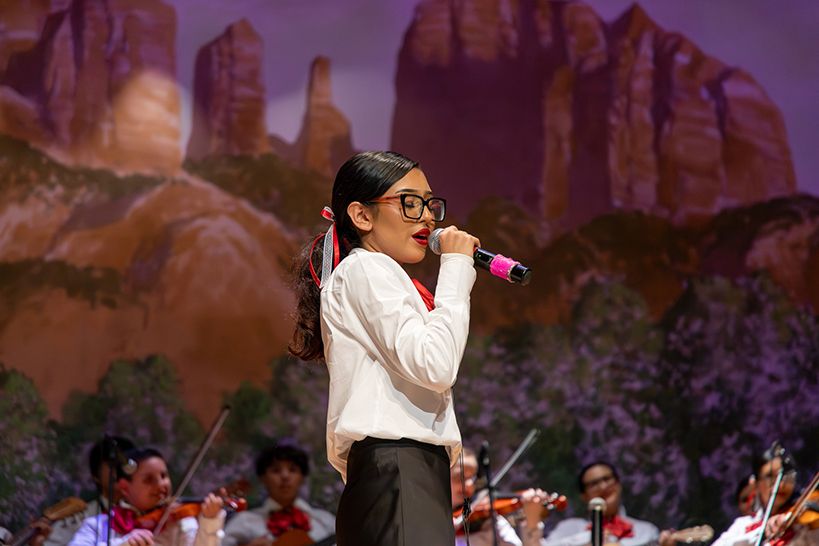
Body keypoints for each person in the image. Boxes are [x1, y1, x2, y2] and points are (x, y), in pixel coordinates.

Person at [288, 151, 480, 545]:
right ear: (361, 216)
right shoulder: (366, 269)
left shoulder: (379, 274)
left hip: (402, 470)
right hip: (398, 465)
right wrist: (458, 268)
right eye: (410, 203)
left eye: (430, 204)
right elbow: (435, 365)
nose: (427, 216)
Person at [67, 448, 225, 546]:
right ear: (125, 487)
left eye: (164, 476)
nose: (161, 485)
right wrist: (124, 543)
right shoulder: (97, 525)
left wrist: (210, 522)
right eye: (149, 480)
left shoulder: (181, 524)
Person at [222, 445, 335, 545]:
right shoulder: (245, 522)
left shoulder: (326, 521)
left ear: (302, 478)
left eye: (293, 470)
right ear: (263, 479)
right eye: (276, 470)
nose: (285, 476)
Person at [711, 444, 819, 546]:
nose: (781, 484)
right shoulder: (743, 525)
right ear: (755, 484)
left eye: (787, 476)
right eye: (770, 476)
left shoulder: (804, 525)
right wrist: (762, 532)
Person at [45, 437, 136, 546]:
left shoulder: (148, 512)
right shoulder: (80, 517)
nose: (121, 473)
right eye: (114, 466)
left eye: (125, 466)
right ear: (96, 476)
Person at [542, 462, 659, 546]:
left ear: (618, 484)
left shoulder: (646, 531)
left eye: (607, 479)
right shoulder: (569, 528)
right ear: (584, 496)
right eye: (593, 484)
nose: (603, 487)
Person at [452, 448, 548, 546]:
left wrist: (532, 523)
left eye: (473, 478)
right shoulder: (436, 524)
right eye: (459, 477)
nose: (469, 484)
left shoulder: (489, 524)